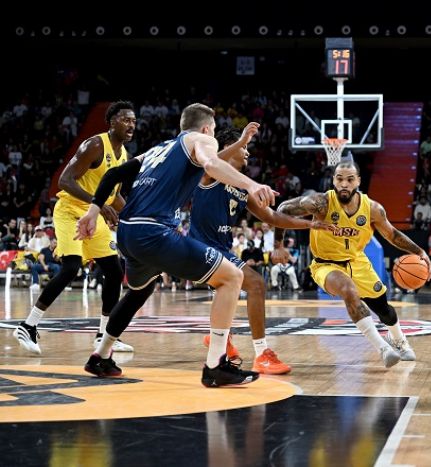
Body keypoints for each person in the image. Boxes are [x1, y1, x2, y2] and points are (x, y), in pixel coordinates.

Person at [75, 103, 277, 387]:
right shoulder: (202, 139)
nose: (213, 136)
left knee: (140, 290)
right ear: (207, 128)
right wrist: (251, 185)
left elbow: (113, 175)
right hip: (154, 231)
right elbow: (211, 164)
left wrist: (92, 211)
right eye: (214, 131)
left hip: (128, 232)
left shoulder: (158, 149)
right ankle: (216, 366)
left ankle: (101, 355)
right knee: (232, 277)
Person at [191, 126, 335, 375]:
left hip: (220, 250)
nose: (247, 152)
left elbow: (273, 217)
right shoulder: (210, 174)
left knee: (230, 289)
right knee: (256, 284)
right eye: (244, 148)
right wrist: (241, 140)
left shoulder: (241, 188)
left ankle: (220, 338)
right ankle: (261, 354)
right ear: (228, 149)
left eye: (247, 147)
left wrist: (310, 224)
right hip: (199, 249)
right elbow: (212, 162)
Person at [275, 159, 431, 368]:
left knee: (384, 310)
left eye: (350, 179)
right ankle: (383, 348)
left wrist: (420, 252)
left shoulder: (373, 209)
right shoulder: (321, 203)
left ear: (358, 181)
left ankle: (398, 339)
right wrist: (278, 245)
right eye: (339, 179)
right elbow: (283, 209)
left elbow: (392, 235)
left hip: (357, 262)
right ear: (333, 181)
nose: (344, 184)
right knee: (348, 290)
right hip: (326, 265)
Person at [13, 101, 137, 355]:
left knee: (114, 271)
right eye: (126, 120)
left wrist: (136, 215)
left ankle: (105, 335)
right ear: (111, 122)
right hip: (71, 211)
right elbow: (64, 180)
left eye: (134, 121)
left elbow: (114, 196)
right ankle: (28, 326)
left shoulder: (124, 154)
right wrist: (98, 204)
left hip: (93, 214)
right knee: (71, 267)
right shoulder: (95, 145)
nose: (131, 125)